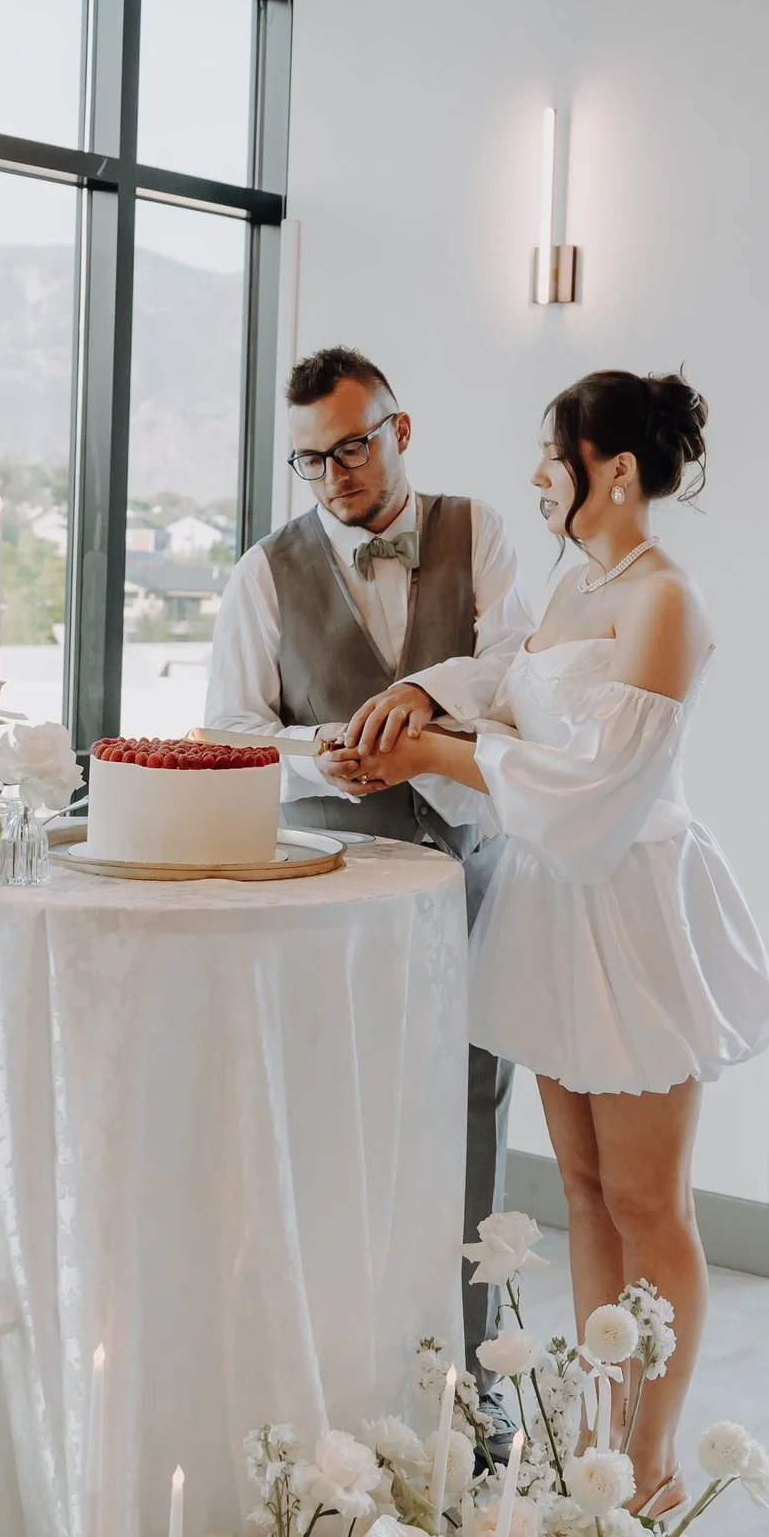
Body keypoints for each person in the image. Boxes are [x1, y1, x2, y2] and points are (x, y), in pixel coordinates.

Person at [328, 369, 769, 1516]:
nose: (537, 474)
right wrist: (414, 720)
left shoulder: (664, 600)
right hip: (551, 907)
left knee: (649, 1202)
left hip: (629, 908)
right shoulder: (580, 580)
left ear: (612, 469)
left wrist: (434, 756)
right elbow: (513, 704)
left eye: (553, 454)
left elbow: (600, 788)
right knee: (582, 1190)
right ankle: (598, 1429)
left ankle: (656, 1458)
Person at [204, 346, 535, 1405]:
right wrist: (327, 752)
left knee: (470, 1108)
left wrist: (424, 695)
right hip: (326, 880)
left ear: (399, 428)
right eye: (310, 459)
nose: (335, 473)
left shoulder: (478, 530)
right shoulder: (263, 570)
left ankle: (466, 1386)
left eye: (352, 445)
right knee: (324, 1105)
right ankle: (324, 1375)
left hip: (462, 864)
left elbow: (522, 668)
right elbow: (230, 729)